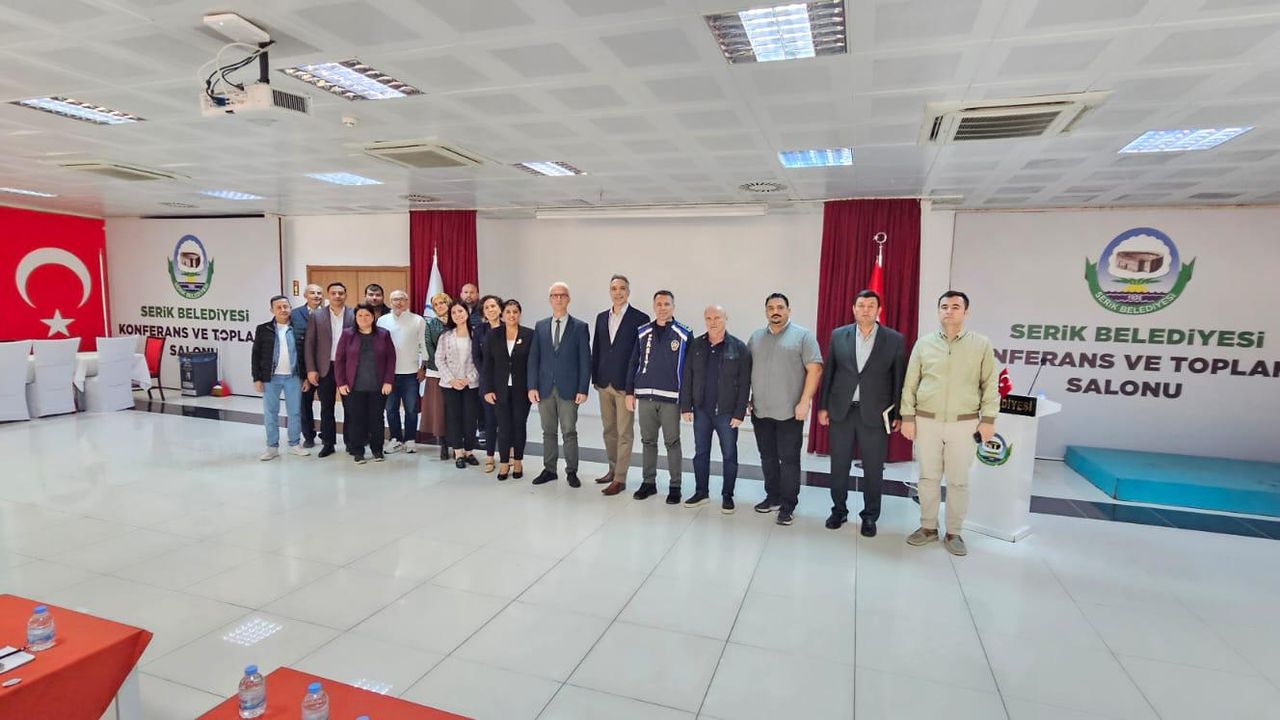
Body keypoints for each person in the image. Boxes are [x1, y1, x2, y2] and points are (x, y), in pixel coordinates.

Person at [900, 290, 999, 557]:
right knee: (927, 477)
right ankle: (928, 528)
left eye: (956, 307)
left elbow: (990, 384)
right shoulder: (924, 344)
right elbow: (910, 383)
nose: (949, 311)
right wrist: (908, 417)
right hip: (926, 421)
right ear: (938, 311)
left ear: (966, 312)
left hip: (964, 424)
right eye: (944, 306)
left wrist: (988, 419)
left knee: (958, 481)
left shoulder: (981, 344)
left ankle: (954, 532)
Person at [817, 290, 906, 537]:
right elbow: (830, 372)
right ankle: (839, 510)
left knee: (874, 468)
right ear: (853, 309)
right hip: (841, 411)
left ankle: (870, 516)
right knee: (839, 465)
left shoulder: (894, 339)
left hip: (875, 414)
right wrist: (823, 406)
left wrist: (899, 413)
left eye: (871, 305)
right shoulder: (838, 335)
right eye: (861, 305)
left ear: (879, 310)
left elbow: (899, 379)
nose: (865, 309)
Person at [748, 292, 823, 526]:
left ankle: (788, 505)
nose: (775, 312)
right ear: (766, 311)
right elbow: (746, 369)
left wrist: (805, 401)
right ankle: (773, 497)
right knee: (767, 457)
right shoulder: (756, 337)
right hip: (761, 411)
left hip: (790, 412)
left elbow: (815, 370)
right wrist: (747, 399)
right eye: (771, 308)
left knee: (789, 460)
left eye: (780, 307)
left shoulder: (803, 336)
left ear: (788, 310)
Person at [679, 305, 750, 513]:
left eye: (717, 317)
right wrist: (686, 406)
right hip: (701, 410)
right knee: (701, 453)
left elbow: (745, 383)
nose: (713, 322)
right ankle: (701, 492)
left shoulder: (738, 347)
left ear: (726, 318)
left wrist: (739, 413)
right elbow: (687, 376)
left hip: (727, 413)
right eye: (709, 318)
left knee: (729, 455)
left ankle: (727, 496)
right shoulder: (696, 345)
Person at [625, 290, 691, 504]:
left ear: (673, 306)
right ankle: (648, 482)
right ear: (654, 306)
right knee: (648, 441)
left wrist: (687, 402)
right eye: (659, 304)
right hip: (645, 396)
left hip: (671, 398)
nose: (662, 308)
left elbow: (689, 371)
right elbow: (633, 362)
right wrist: (629, 391)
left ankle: (675, 486)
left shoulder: (684, 334)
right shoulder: (643, 331)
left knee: (672, 442)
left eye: (667, 304)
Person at [527, 282, 591, 487]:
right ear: (550, 299)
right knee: (548, 431)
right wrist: (532, 386)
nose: (558, 298)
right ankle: (549, 470)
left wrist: (583, 388)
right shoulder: (540, 326)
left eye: (562, 295)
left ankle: (572, 471)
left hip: (569, 389)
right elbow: (534, 358)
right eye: (554, 295)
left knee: (569, 431)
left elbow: (585, 360)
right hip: (544, 388)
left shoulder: (580, 327)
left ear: (568, 299)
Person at [592, 274, 650, 496]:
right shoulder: (601, 317)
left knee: (624, 432)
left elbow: (640, 355)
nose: (618, 292)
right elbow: (597, 348)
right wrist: (595, 378)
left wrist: (632, 387)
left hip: (625, 386)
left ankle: (620, 478)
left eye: (622, 288)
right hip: (604, 383)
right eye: (614, 288)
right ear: (610, 292)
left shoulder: (640, 318)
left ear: (628, 291)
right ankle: (612, 469)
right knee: (609, 430)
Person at [333, 304, 395, 464]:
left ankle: (377, 450)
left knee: (377, 419)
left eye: (367, 315)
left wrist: (388, 381)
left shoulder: (383, 334)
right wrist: (341, 382)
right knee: (356, 419)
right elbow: (339, 360)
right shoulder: (347, 334)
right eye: (359, 315)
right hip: (353, 386)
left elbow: (391, 359)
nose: (363, 318)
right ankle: (358, 451)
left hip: (378, 386)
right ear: (355, 318)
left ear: (373, 317)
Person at [252, 295, 311, 460]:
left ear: (290, 308)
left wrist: (305, 377)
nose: (283, 310)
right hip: (270, 378)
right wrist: (257, 378)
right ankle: (272, 447)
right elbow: (256, 355)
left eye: (286, 307)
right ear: (272, 310)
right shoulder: (263, 329)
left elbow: (305, 354)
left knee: (295, 412)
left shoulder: (299, 328)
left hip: (294, 377)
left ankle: (294, 444)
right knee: (271, 412)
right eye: (279, 307)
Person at [481, 299, 533, 480]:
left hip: (522, 391)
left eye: (515, 312)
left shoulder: (529, 334)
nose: (512, 315)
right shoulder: (493, 335)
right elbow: (487, 364)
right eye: (508, 312)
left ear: (520, 314)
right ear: (502, 315)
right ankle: (504, 462)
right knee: (503, 427)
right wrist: (487, 389)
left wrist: (533, 388)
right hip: (499, 390)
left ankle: (517, 461)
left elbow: (533, 364)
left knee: (519, 426)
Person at [305, 282, 354, 458]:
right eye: (333, 293)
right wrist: (311, 369)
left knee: (350, 408)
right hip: (325, 368)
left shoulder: (354, 314)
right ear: (328, 295)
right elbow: (309, 343)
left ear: (345, 295)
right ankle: (328, 443)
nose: (337, 296)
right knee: (326, 408)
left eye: (341, 293)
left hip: (347, 369)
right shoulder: (317, 315)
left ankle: (351, 442)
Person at [377, 289, 427, 454]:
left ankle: (410, 439)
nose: (398, 302)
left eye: (402, 299)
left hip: (411, 373)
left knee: (411, 408)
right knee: (391, 409)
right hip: (388, 374)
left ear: (407, 301)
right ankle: (395, 439)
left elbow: (423, 345)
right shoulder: (382, 320)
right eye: (395, 299)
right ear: (390, 302)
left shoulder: (417, 320)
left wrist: (423, 367)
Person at [438, 300, 481, 469]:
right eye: (454, 312)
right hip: (450, 384)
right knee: (454, 417)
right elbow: (439, 360)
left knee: (470, 418)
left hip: (471, 384)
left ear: (467, 313)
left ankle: (469, 451)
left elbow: (480, 360)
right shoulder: (446, 336)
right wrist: (452, 380)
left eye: (460, 311)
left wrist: (469, 378)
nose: (457, 315)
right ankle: (458, 452)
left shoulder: (476, 334)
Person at [289, 283, 324, 448]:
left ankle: (327, 434)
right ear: (305, 295)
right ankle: (308, 436)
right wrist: (303, 374)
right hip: (304, 367)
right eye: (312, 293)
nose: (316, 296)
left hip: (326, 368)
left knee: (327, 404)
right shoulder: (295, 314)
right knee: (305, 404)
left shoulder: (328, 313)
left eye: (319, 293)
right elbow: (293, 344)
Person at [472, 294, 504, 473]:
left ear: (500, 309)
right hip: (487, 382)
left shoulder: (509, 327)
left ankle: (509, 455)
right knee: (490, 421)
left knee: (507, 421)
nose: (491, 310)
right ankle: (490, 456)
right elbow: (476, 357)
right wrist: (485, 374)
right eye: (487, 307)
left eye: (493, 306)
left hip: (507, 381)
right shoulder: (479, 330)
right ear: (483, 312)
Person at [420, 292, 451, 460]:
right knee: (439, 410)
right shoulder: (431, 324)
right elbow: (428, 346)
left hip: (457, 373)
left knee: (453, 409)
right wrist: (442, 366)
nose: (439, 306)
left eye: (442, 303)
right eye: (436, 304)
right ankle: (443, 443)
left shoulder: (457, 319)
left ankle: (457, 442)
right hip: (437, 372)